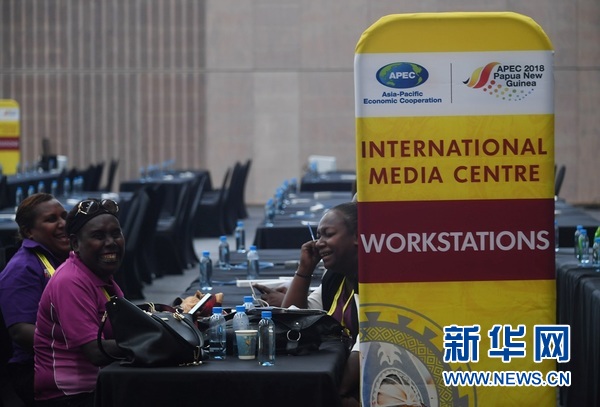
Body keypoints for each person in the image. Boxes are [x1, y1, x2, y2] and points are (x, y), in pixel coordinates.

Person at [34, 198, 126, 407]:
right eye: (98, 236)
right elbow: (96, 351)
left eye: (115, 234)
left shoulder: (98, 274)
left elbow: (124, 327)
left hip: (99, 387)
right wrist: (151, 342)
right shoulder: (70, 281)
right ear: (75, 243)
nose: (111, 242)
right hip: (68, 397)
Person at [281, 201, 360, 406]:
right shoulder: (335, 276)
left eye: (328, 234)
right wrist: (304, 269)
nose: (318, 243)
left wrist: (334, 394)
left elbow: (367, 344)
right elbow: (292, 317)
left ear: (358, 237)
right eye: (318, 236)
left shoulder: (377, 284)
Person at [0, 193, 71, 406]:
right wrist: (78, 345)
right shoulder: (22, 269)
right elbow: (21, 332)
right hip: (35, 371)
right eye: (51, 219)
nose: (63, 224)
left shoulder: (60, 258)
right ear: (29, 231)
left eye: (64, 216)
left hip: (63, 362)